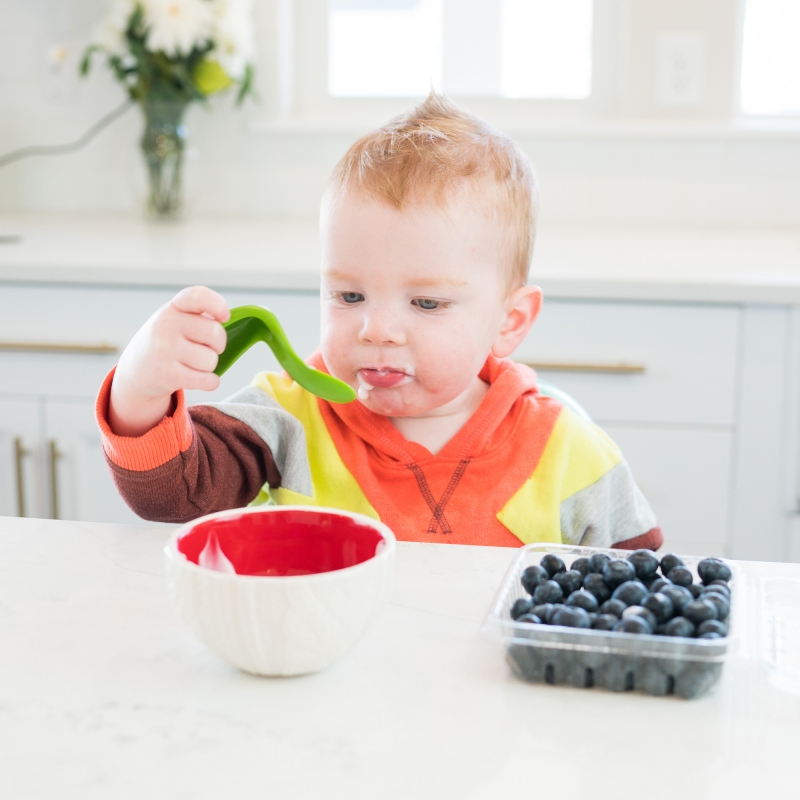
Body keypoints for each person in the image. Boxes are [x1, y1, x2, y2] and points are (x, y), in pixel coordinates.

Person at [96, 93, 661, 549]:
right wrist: (140, 385)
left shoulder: (569, 454)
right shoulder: (286, 416)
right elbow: (171, 497)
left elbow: (642, 602)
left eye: (427, 303)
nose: (376, 330)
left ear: (509, 321)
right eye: (348, 295)